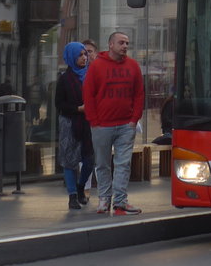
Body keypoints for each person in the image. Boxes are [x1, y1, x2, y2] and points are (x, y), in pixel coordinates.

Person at [83, 30, 145, 215]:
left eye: (127, 43)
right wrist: (94, 121)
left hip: (126, 124)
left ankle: (120, 201)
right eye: (121, 43)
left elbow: (139, 94)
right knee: (102, 164)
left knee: (123, 164)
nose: (125, 46)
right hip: (102, 125)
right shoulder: (97, 66)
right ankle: (104, 200)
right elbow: (89, 94)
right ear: (111, 45)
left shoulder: (133, 66)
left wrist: (134, 119)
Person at [55, 42, 94, 210]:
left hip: (89, 122)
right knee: (69, 161)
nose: (84, 58)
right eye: (80, 55)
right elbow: (59, 103)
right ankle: (72, 196)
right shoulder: (64, 79)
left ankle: (80, 186)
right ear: (72, 57)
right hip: (70, 122)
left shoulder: (91, 76)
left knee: (89, 160)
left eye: (85, 54)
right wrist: (78, 108)